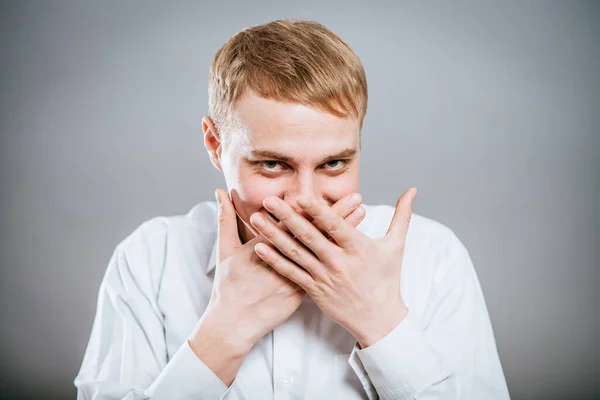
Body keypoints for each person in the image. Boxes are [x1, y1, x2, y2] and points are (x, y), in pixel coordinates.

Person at [74, 19, 510, 400]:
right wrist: (223, 333)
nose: (305, 200)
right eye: (272, 164)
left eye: (333, 163)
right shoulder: (149, 259)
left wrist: (380, 321)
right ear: (215, 144)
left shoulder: (434, 256)